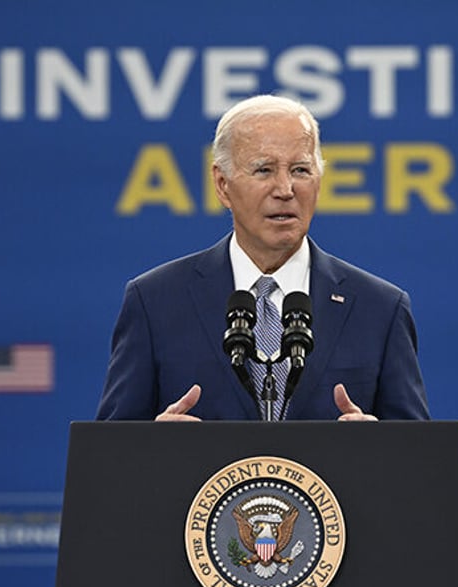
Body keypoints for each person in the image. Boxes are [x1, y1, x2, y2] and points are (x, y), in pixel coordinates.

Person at [96, 95, 429, 422]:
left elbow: (421, 462)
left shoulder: (380, 308)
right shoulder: (155, 303)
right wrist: (151, 449)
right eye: (264, 170)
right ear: (222, 184)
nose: (285, 188)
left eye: (300, 170)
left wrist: (381, 451)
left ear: (319, 181)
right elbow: (107, 463)